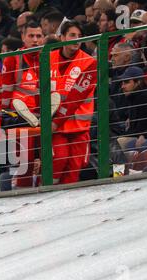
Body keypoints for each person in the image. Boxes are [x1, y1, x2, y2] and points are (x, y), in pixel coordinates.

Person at [50, 20, 97, 184]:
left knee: (74, 170)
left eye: (79, 36)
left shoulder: (89, 63)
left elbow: (77, 98)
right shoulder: (47, 59)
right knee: (58, 161)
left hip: (78, 127)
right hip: (56, 128)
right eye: (72, 35)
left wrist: (56, 121)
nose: (76, 39)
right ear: (62, 38)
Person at [1, 20, 44, 189]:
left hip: (43, 117)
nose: (35, 40)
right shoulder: (13, 59)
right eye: (31, 36)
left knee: (45, 164)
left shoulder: (47, 57)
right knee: (22, 168)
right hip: (19, 121)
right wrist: (3, 117)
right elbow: (5, 94)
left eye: (38, 36)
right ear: (23, 37)